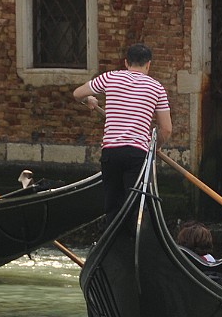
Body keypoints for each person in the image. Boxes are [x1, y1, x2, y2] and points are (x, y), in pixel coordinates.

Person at [74, 43, 172, 222]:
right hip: (137, 154)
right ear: (148, 64)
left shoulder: (110, 77)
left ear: (126, 63)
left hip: (111, 152)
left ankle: (112, 242)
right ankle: (131, 241)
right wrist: (155, 148)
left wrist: (88, 99)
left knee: (113, 207)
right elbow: (166, 129)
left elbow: (77, 93)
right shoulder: (157, 88)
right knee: (135, 208)